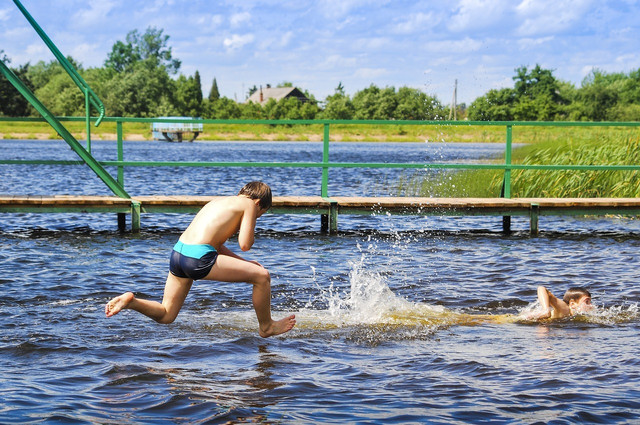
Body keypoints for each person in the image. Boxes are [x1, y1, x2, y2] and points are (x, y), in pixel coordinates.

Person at [105, 181, 296, 338]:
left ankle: (132, 302)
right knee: (262, 276)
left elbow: (217, 245)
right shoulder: (249, 205)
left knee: (166, 315)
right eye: (260, 214)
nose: (257, 217)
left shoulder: (218, 202)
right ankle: (266, 326)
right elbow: (245, 244)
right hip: (198, 258)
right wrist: (252, 222)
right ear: (258, 203)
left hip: (178, 255)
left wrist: (245, 264)